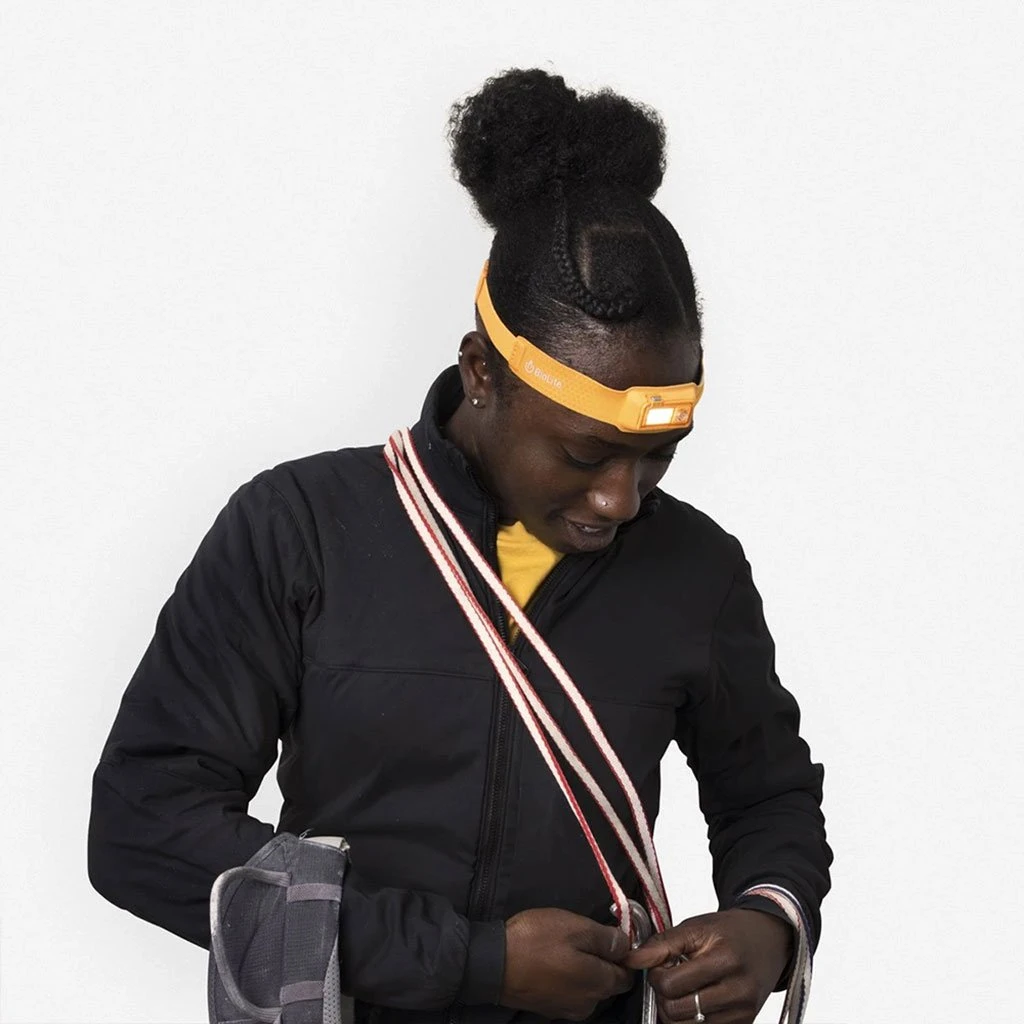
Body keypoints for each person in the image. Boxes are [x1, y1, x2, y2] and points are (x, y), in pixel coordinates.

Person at [88, 68, 832, 1024]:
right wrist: (468, 962)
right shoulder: (297, 526)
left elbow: (767, 795)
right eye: (584, 453)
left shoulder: (700, 570)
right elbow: (144, 825)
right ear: (481, 372)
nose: (621, 498)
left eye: (658, 454)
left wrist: (768, 920)